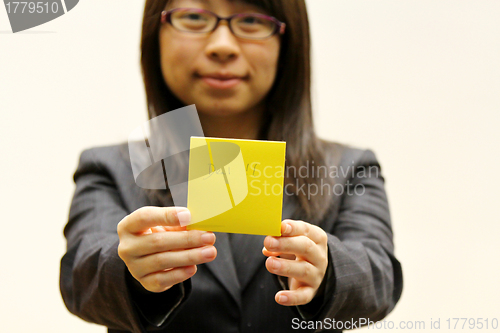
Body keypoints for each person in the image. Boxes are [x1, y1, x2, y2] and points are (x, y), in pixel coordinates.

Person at [59, 0, 403, 332]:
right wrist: (130, 268)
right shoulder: (110, 168)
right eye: (193, 16)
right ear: (155, 35)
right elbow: (81, 275)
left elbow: (380, 276)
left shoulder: (350, 167)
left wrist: (327, 271)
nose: (222, 46)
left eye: (251, 21)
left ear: (289, 42)